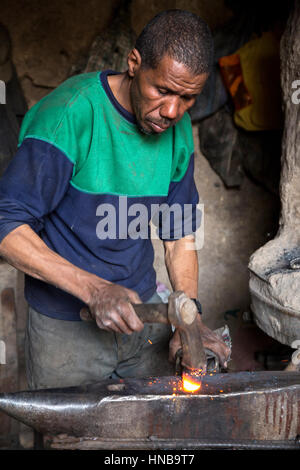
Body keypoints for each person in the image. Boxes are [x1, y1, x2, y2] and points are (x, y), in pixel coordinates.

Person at [0, 10, 230, 389]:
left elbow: (179, 237)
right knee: (72, 440)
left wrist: (188, 317)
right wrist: (95, 290)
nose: (173, 111)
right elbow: (6, 225)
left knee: (152, 433)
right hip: (67, 330)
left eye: (188, 98)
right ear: (134, 63)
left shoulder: (178, 130)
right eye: (163, 91)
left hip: (145, 324)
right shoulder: (71, 114)